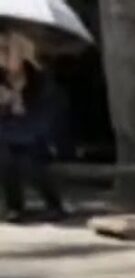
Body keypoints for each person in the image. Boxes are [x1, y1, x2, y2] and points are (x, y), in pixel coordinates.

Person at [0, 31, 67, 224]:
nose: (5, 56)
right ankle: (15, 207)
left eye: (8, 50)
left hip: (36, 132)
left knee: (28, 157)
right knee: (5, 155)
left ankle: (54, 205)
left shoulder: (39, 79)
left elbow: (47, 113)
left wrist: (21, 103)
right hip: (8, 131)